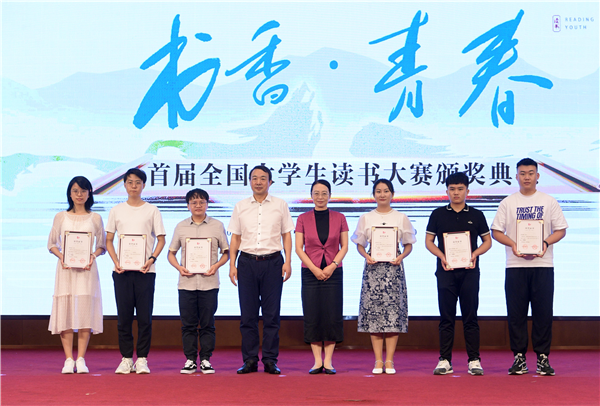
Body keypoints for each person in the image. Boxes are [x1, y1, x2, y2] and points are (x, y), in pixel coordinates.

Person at [491, 158, 567, 376]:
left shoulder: (549, 201)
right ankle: (519, 358)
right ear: (516, 176)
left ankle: (543, 358)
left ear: (537, 176)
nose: (526, 177)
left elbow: (561, 230)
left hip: (543, 264)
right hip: (515, 266)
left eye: (531, 173)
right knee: (516, 314)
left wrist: (545, 243)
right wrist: (513, 245)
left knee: (543, 312)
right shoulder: (508, 203)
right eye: (522, 173)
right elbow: (496, 232)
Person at [228, 165, 294, 375]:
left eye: (263, 178)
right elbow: (235, 237)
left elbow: (286, 234)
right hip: (246, 263)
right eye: (254, 178)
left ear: (270, 182)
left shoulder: (280, 205)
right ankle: (249, 360)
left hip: (273, 262)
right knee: (248, 315)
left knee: (271, 315)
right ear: (249, 181)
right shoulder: (240, 206)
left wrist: (288, 261)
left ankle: (270, 360)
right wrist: (232, 264)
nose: (258, 182)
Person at [425, 172, 492, 376]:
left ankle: (474, 360)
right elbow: (429, 242)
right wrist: (442, 256)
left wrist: (475, 254)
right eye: (452, 189)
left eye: (460, 189)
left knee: (470, 316)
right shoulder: (438, 214)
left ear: (467, 191)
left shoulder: (476, 214)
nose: (456, 192)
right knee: (446, 317)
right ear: (446, 191)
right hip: (445, 271)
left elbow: (487, 241)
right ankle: (445, 360)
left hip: (470, 272)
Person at [351, 178, 416, 375]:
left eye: (386, 191)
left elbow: (408, 244)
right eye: (378, 191)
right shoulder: (366, 218)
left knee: (393, 316)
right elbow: (360, 244)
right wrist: (366, 256)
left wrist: (401, 257)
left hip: (393, 270)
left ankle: (390, 361)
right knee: (374, 316)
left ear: (392, 194)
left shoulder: (401, 217)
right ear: (373, 195)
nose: (382, 194)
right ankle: (378, 360)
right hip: (373, 270)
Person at [105, 168, 166, 374]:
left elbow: (161, 239)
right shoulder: (116, 210)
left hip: (145, 271)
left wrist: (151, 259)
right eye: (130, 182)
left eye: (138, 182)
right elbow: (109, 240)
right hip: (121, 271)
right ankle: (125, 358)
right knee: (123, 317)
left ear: (143, 185)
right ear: (124, 185)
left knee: (144, 318)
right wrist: (116, 261)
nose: (133, 186)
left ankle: (141, 359)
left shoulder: (152, 210)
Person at [167, 188, 229, 374]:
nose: (198, 205)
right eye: (194, 202)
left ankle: (206, 360)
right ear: (188, 206)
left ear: (207, 204)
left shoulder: (217, 225)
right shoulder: (181, 226)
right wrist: (179, 268)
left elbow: (226, 253)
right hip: (186, 284)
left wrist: (216, 266)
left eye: (202, 202)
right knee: (188, 325)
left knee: (208, 324)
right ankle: (190, 360)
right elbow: (171, 254)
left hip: (209, 283)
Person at [48, 176, 106, 374]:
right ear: (70, 194)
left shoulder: (95, 218)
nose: (79, 194)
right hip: (66, 270)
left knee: (84, 311)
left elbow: (102, 246)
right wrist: (62, 257)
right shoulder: (60, 217)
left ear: (89, 193)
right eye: (75, 191)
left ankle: (81, 359)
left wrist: (92, 256)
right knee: (65, 310)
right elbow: (52, 244)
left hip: (87, 270)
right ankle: (68, 359)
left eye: (83, 191)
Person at [295, 180, 349, 375]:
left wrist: (332, 266)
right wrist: (314, 269)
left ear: (330, 195)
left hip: (334, 272)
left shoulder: (340, 217)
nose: (320, 197)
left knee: (332, 315)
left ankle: (329, 361)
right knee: (313, 314)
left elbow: (344, 246)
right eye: (316, 193)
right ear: (311, 195)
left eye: (324, 193)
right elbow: (298, 248)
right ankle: (317, 361)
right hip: (310, 272)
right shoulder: (302, 218)